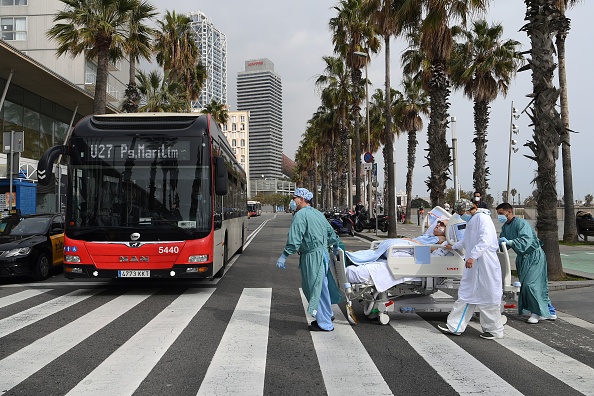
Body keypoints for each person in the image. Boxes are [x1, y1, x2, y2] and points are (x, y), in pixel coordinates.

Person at [276, 187, 343, 332]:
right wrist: (336, 245)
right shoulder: (317, 213)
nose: (293, 201)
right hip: (323, 255)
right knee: (322, 288)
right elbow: (331, 232)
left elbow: (294, 239)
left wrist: (284, 255)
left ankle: (325, 323)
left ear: (302, 199)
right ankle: (326, 315)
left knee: (314, 289)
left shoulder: (300, 216)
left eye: (294, 198)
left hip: (312, 257)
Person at [438, 199, 505, 340]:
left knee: (488, 298)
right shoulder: (472, 221)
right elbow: (467, 240)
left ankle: (494, 331)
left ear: (469, 209)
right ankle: (455, 326)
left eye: (462, 212)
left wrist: (472, 256)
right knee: (466, 294)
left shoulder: (483, 219)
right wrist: (454, 246)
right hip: (475, 266)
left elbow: (485, 240)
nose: (461, 215)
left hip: (485, 264)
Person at [496, 202, 557, 324]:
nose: (499, 216)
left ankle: (537, 313)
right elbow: (503, 245)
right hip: (522, 258)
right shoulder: (505, 227)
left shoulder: (521, 223)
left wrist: (511, 242)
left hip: (534, 256)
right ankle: (549, 310)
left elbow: (526, 240)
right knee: (534, 285)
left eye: (501, 213)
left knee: (531, 285)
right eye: (498, 214)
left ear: (509, 211)